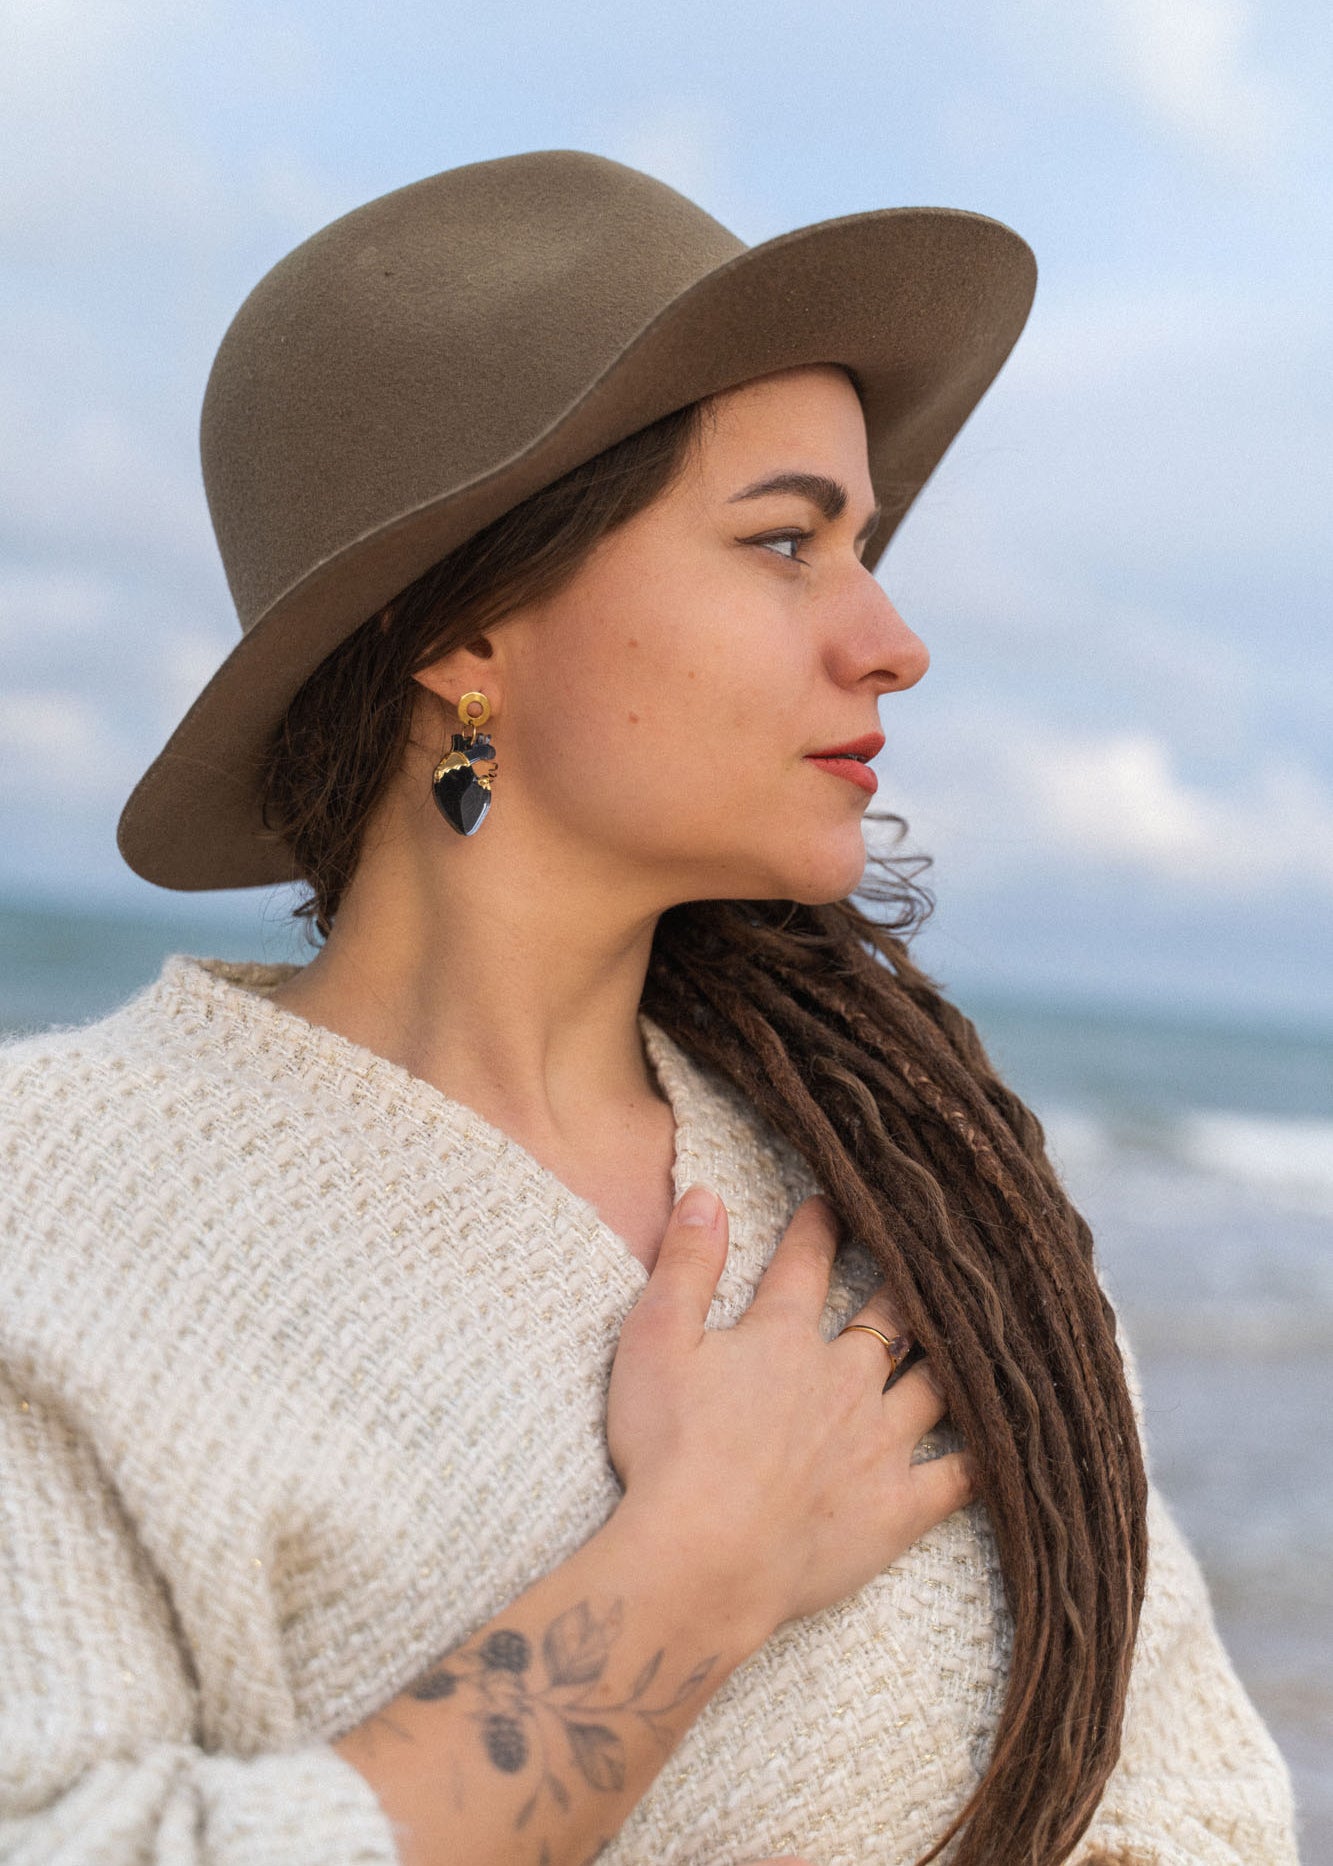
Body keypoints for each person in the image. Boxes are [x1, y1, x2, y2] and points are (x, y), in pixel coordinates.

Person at [0, 150, 1299, 1866]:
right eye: (783, 541)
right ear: (465, 628)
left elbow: (1199, 1818)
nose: (891, 638)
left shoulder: (931, 1195)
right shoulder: (50, 1208)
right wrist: (698, 1563)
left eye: (862, 545)